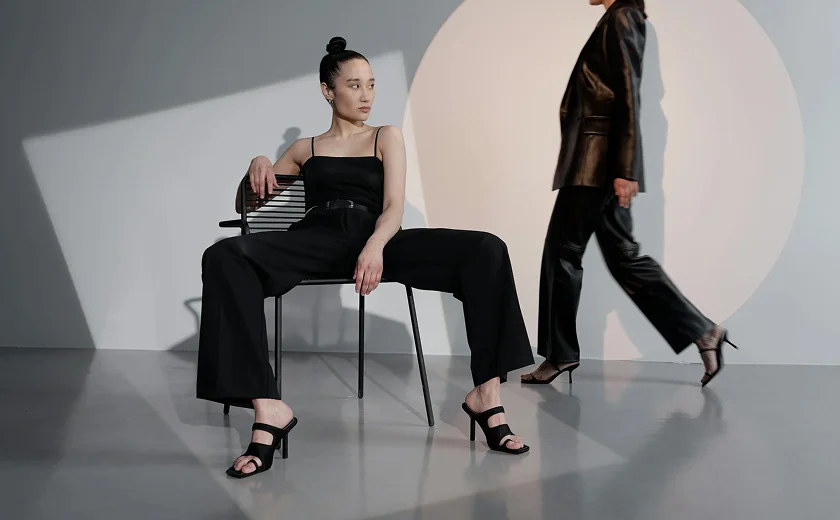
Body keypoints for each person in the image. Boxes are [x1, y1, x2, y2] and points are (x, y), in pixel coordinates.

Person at [198, 37, 535, 478]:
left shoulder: (385, 136)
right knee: (223, 254)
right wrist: (258, 162)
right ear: (327, 90)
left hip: (378, 237)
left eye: (371, 85)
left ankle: (486, 398)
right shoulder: (305, 149)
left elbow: (394, 206)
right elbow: (248, 207)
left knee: (486, 248)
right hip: (317, 239)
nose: (366, 96)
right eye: (354, 85)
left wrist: (374, 246)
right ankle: (268, 410)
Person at [521, 0, 737, 387]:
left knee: (563, 252)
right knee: (624, 258)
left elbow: (628, 93)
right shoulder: (619, 17)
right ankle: (703, 331)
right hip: (598, 160)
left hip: (596, 162)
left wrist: (625, 169)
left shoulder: (622, 17)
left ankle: (560, 354)